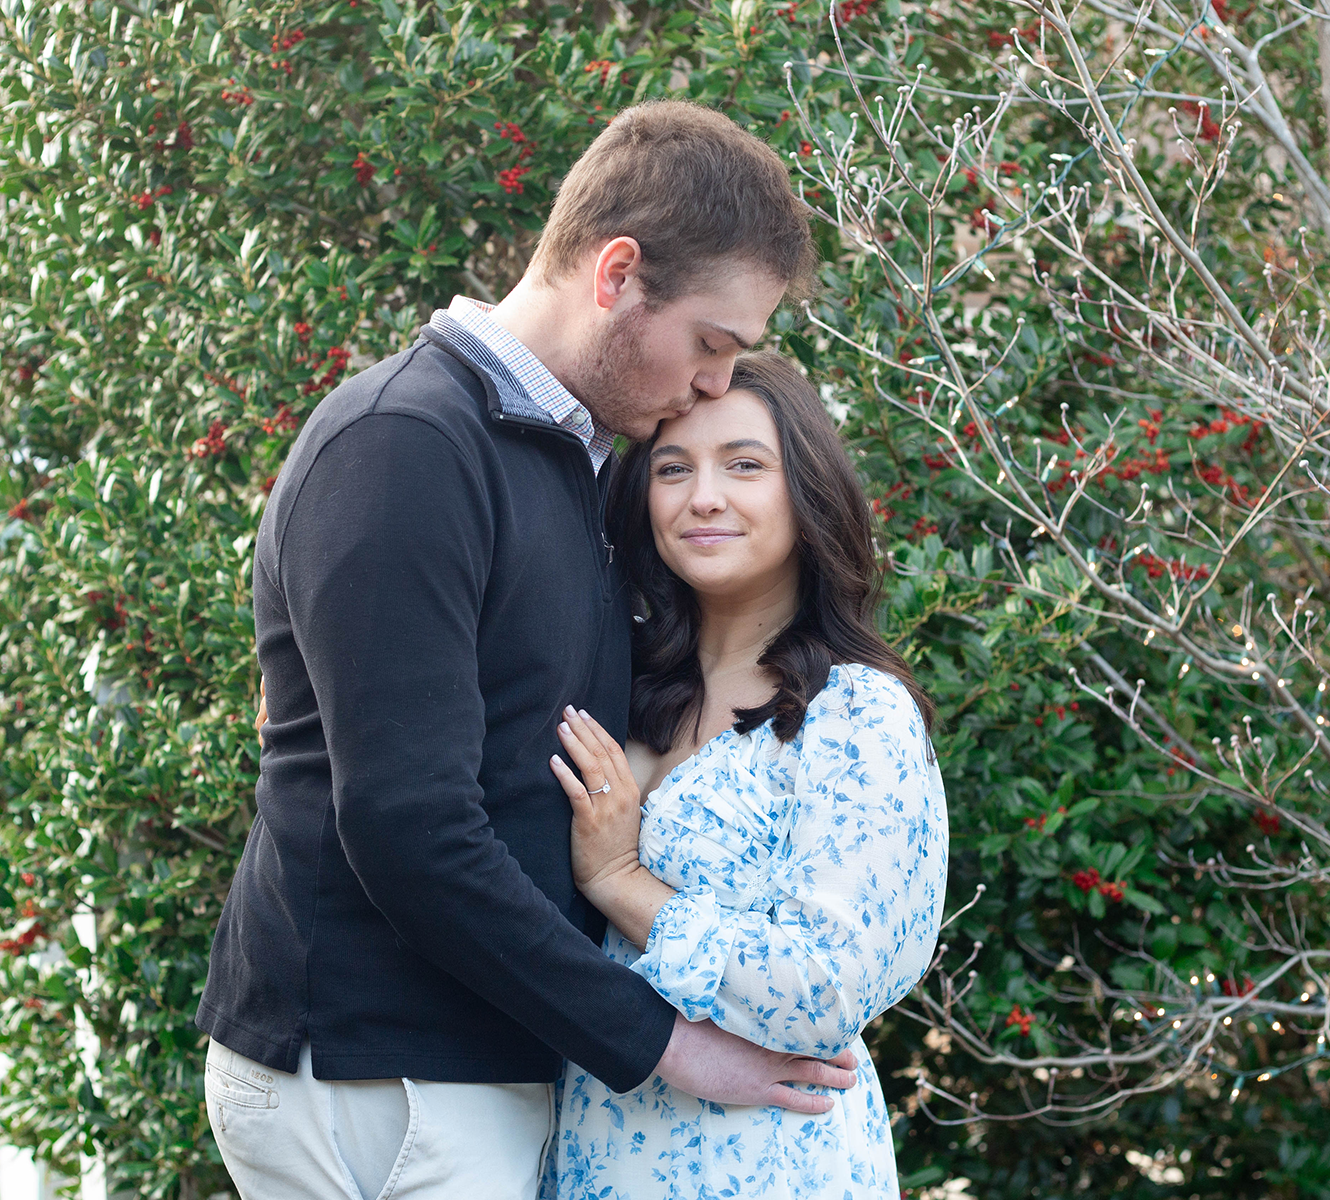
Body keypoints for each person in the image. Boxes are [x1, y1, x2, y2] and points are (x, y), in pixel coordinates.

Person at [195, 102, 862, 1200]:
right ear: (616, 275)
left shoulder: (574, 461)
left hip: (473, 1069)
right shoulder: (406, 447)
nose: (711, 384)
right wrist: (667, 1045)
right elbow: (409, 825)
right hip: (385, 1078)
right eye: (709, 344)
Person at [545, 352, 949, 1198]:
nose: (703, 497)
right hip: (588, 1151)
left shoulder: (855, 714)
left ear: (807, 491)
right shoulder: (614, 684)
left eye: (744, 465)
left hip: (767, 1162)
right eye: (672, 468)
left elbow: (826, 989)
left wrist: (622, 882)